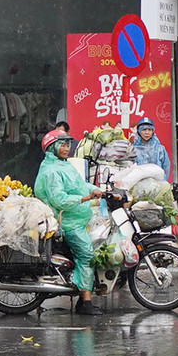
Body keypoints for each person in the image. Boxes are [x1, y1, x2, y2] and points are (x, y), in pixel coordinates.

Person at [35, 130, 105, 315]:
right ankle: (86, 302)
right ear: (52, 148)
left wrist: (99, 190)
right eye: (62, 145)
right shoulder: (50, 171)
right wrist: (86, 198)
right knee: (87, 255)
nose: (67, 148)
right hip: (66, 222)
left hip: (78, 218)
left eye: (68, 144)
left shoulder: (63, 165)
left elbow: (79, 185)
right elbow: (59, 199)